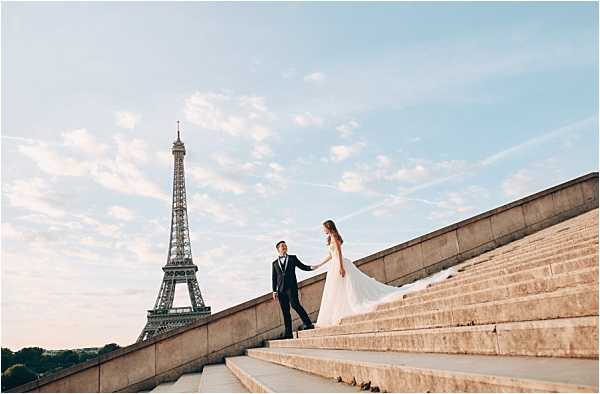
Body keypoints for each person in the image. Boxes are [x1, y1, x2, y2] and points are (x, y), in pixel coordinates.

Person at [311, 219, 457, 327]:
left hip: (340, 264)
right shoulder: (329, 238)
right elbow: (331, 255)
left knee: (348, 287)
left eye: (323, 227)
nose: (323, 230)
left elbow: (340, 253)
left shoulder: (335, 236)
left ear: (328, 227)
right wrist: (319, 265)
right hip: (334, 265)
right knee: (338, 290)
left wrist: (341, 267)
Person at [271, 240, 315, 339]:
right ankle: (288, 333)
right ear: (278, 249)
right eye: (282, 246)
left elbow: (302, 266)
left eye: (285, 246)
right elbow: (274, 278)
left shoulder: (292, 258)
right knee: (285, 311)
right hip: (281, 290)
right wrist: (274, 290)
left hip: (291, 287)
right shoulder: (274, 263)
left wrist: (312, 267)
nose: (284, 247)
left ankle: (308, 324)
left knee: (295, 305)